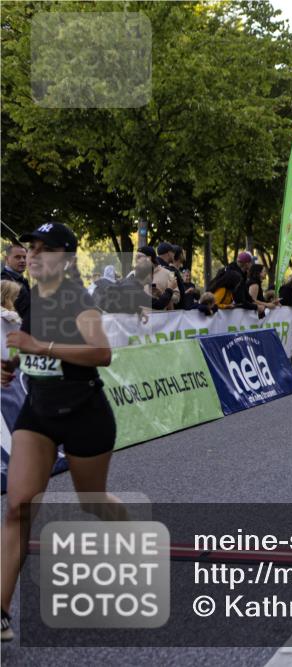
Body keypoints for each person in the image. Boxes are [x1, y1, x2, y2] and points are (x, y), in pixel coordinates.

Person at [1, 222, 120, 643]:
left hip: (85, 413)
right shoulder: (31, 298)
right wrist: (12, 366)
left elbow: (101, 353)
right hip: (39, 415)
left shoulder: (77, 298)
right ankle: (1, 611)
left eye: (44, 249)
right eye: (30, 247)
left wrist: (40, 348)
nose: (32, 255)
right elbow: (31, 350)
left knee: (93, 503)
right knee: (18, 507)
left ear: (67, 259)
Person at [1, 243, 30, 323]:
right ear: (6, 259)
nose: (22, 260)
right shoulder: (4, 281)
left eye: (24, 257)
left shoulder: (23, 280)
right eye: (17, 257)